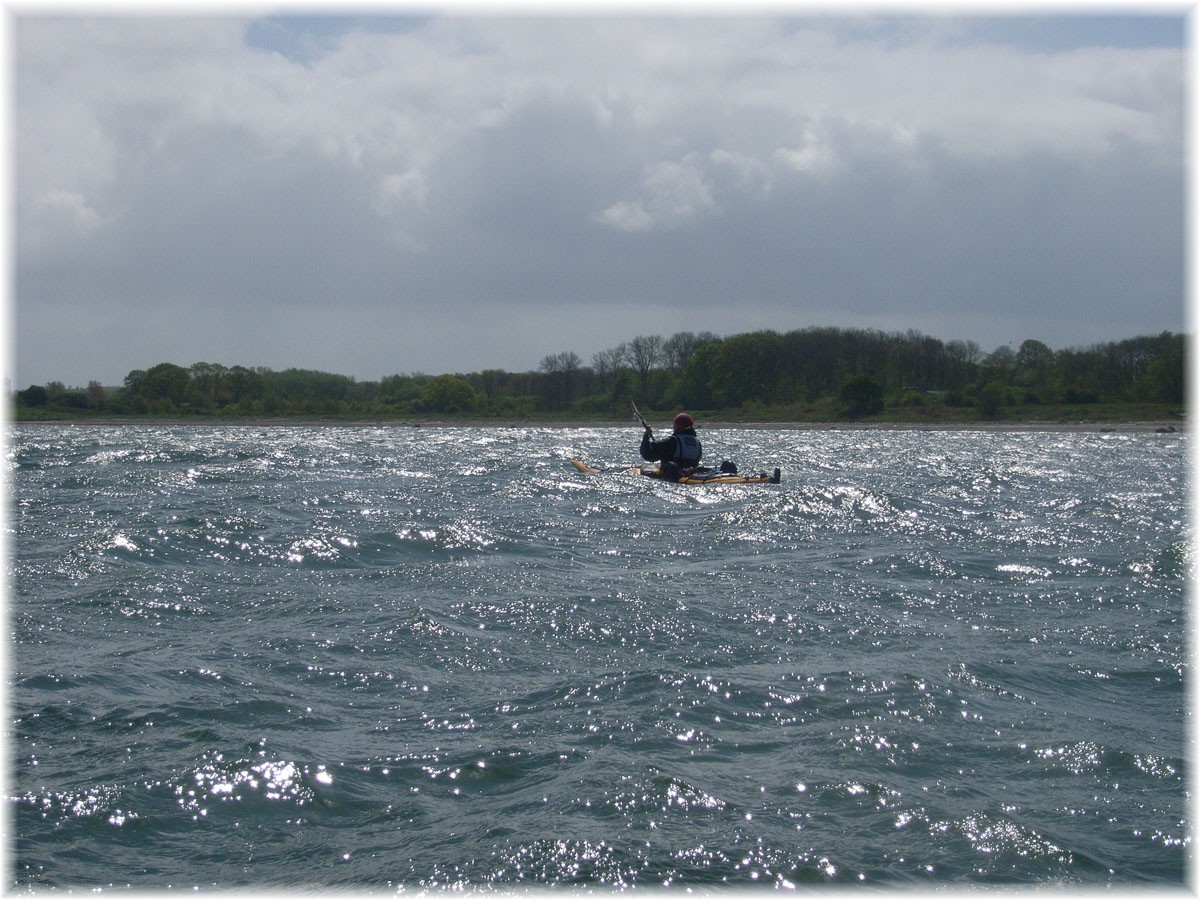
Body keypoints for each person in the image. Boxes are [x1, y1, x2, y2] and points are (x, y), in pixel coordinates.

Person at [640, 412, 703, 480]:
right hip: (691, 473)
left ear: (678, 426)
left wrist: (646, 436)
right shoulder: (698, 443)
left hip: (672, 475)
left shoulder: (672, 441)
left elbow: (648, 455)